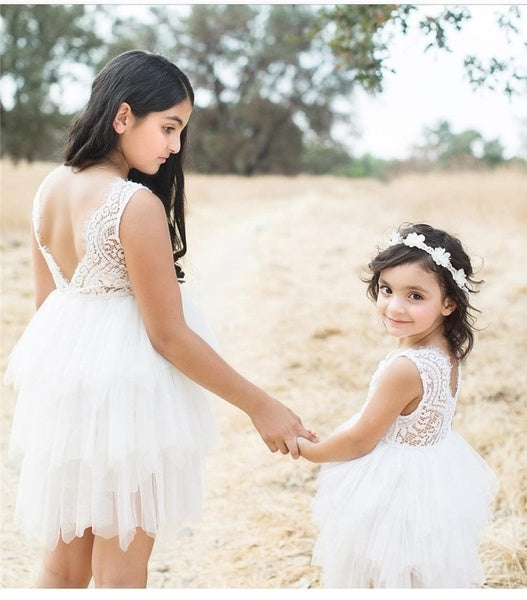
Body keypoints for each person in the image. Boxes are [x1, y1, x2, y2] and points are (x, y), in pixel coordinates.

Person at [3, 49, 317, 589]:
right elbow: (169, 336)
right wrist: (261, 406)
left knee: (62, 565)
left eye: (181, 132)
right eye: (168, 128)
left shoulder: (48, 189)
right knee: (123, 570)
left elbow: (45, 307)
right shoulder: (132, 204)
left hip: (65, 390)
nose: (175, 147)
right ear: (123, 116)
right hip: (127, 400)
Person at [297, 223, 498, 588]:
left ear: (449, 302)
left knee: (386, 575)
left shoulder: (407, 368)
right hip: (432, 476)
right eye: (387, 290)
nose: (394, 306)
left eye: (415, 296)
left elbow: (361, 440)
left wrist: (312, 452)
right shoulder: (443, 349)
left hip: (397, 491)